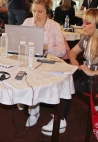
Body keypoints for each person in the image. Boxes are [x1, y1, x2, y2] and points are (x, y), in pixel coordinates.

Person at [42, 8, 98, 136]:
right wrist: (73, 60)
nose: (83, 25)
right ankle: (60, 112)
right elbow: (72, 52)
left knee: (70, 85)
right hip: (87, 74)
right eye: (83, 22)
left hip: (95, 78)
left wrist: (91, 72)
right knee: (65, 77)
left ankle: (61, 119)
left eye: (87, 23)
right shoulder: (86, 38)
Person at [21, 0, 66, 127]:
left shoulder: (54, 26)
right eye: (34, 11)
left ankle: (33, 109)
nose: (36, 15)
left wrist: (44, 47)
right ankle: (32, 109)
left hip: (48, 60)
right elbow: (18, 40)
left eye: (40, 11)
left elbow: (62, 51)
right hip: (30, 58)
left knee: (35, 76)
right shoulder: (27, 22)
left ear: (47, 12)